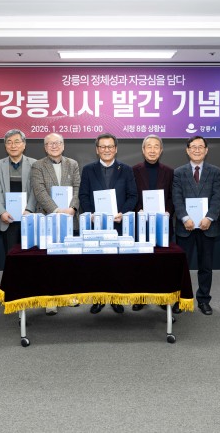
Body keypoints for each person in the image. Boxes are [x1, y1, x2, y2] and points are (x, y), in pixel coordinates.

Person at [79, 133, 138, 314]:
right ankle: (98, 299)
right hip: (96, 225)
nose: (106, 150)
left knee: (117, 264)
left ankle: (116, 298)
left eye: (110, 146)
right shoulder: (88, 170)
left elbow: (133, 195)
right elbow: (83, 195)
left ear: (116, 149)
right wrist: (91, 214)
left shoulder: (126, 169)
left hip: (118, 224)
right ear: (97, 150)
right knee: (97, 264)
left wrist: (123, 213)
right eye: (103, 147)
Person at [30, 132, 81, 316]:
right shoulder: (38, 165)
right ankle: (50, 299)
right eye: (50, 143)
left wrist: (73, 208)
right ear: (45, 147)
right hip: (48, 218)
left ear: (63, 145)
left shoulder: (72, 164)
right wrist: (57, 210)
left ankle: (68, 295)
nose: (54, 146)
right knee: (49, 261)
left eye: (57, 143)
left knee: (69, 259)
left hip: (70, 218)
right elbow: (39, 191)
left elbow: (77, 188)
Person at [172, 136, 220, 315]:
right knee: (182, 267)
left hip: (207, 227)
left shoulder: (216, 172)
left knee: (205, 266)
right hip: (185, 227)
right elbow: (176, 197)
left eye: (200, 147)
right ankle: (181, 300)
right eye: (193, 147)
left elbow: (218, 197)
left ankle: (203, 300)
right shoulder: (179, 172)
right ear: (187, 150)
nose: (196, 150)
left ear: (206, 150)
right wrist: (185, 218)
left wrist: (209, 218)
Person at [131, 135, 177, 312]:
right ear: (143, 150)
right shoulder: (133, 171)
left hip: (162, 223)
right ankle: (141, 297)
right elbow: (131, 195)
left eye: (156, 146)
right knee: (141, 262)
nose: (152, 150)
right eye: (148, 146)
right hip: (141, 223)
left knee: (162, 262)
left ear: (161, 150)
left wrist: (168, 212)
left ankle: (161, 298)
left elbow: (172, 197)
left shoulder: (169, 171)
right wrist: (139, 209)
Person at [0, 129, 37, 254]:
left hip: (27, 216)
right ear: (5, 146)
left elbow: (36, 190)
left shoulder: (34, 164)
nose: (13, 145)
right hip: (8, 218)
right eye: (9, 142)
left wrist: (29, 209)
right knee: (11, 256)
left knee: (30, 255)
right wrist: (2, 212)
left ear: (24, 144)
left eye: (17, 142)